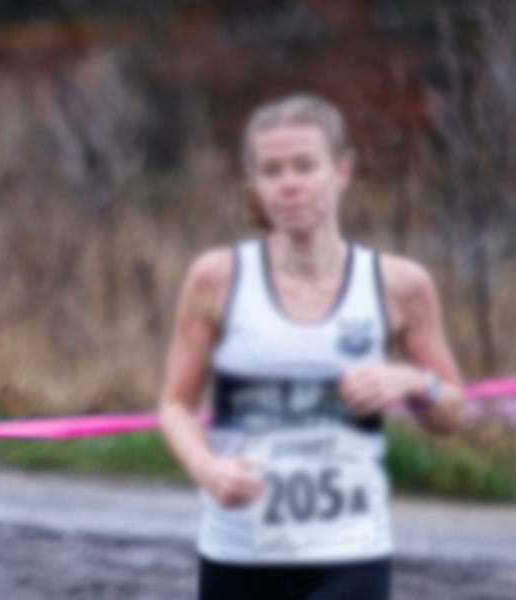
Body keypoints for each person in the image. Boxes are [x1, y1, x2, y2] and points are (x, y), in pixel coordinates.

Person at [157, 93, 464, 600]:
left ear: (340, 171)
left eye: (305, 165)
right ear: (256, 184)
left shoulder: (400, 285)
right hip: (240, 549)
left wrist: (413, 382)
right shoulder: (215, 279)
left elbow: (451, 412)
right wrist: (208, 470)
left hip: (350, 551)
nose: (290, 184)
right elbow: (174, 405)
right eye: (272, 170)